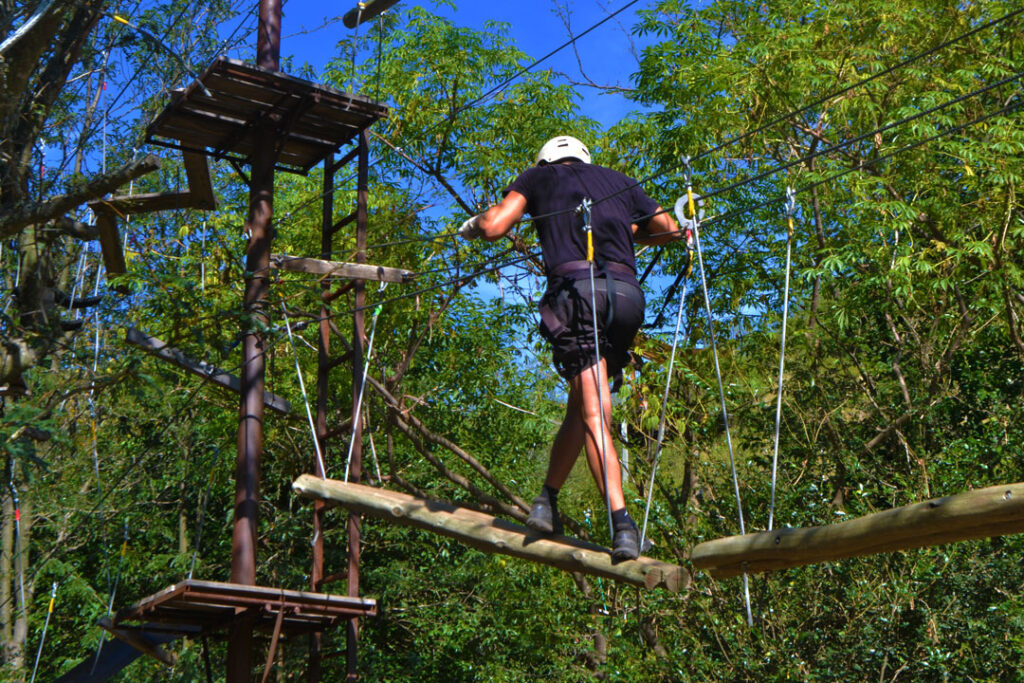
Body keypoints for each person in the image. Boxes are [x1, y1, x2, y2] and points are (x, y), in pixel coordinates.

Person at [458, 135, 681, 560]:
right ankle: (546, 501)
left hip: (579, 297)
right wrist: (629, 231)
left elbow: (495, 226)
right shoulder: (620, 181)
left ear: (546, 160)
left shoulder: (538, 177)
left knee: (594, 411)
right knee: (582, 406)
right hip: (627, 299)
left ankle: (623, 524)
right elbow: (668, 231)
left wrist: (475, 225)